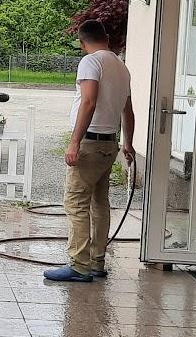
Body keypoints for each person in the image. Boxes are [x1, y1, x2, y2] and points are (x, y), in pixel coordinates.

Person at [44, 19, 135, 284]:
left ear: (83, 42)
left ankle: (79, 264)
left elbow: (89, 100)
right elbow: (128, 111)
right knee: (99, 203)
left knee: (76, 202)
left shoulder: (91, 62)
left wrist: (75, 141)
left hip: (90, 143)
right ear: (106, 37)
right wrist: (128, 143)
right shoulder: (121, 67)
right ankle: (97, 261)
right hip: (109, 143)